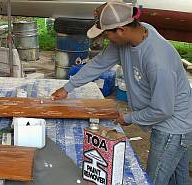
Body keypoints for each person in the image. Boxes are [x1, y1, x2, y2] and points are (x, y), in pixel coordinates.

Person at [51, 1, 192, 185]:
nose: (106, 39)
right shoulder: (136, 33)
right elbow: (99, 64)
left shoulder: (158, 61)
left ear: (121, 30)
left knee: (153, 180)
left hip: (173, 127)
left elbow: (163, 109)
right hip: (176, 119)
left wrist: (128, 118)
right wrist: (68, 87)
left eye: (107, 34)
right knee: (178, 178)